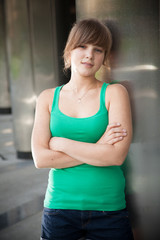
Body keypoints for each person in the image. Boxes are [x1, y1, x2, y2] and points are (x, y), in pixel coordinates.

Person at [31, 18, 134, 240]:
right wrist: (98, 148)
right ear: (70, 50)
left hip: (109, 209)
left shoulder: (115, 93)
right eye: (82, 46)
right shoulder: (48, 98)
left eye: (98, 49)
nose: (89, 55)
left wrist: (62, 144)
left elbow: (116, 156)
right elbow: (40, 159)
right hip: (59, 208)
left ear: (104, 57)